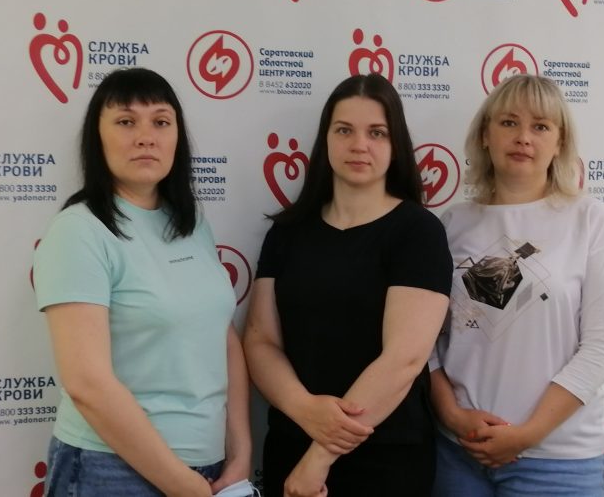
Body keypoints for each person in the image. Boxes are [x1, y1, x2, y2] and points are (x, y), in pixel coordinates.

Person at [33, 68, 251, 496]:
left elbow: (222, 339)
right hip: (109, 468)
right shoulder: (79, 231)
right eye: (126, 121)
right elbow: (87, 383)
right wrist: (181, 483)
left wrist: (241, 450)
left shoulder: (191, 226)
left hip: (208, 468)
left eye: (161, 122)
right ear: (97, 138)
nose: (146, 137)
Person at [244, 73, 453, 497]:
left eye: (377, 132)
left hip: (385, 460)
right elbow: (261, 340)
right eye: (344, 130)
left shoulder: (418, 232)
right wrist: (305, 409)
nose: (359, 145)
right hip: (291, 444)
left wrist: (319, 459)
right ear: (326, 140)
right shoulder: (287, 233)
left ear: (395, 145)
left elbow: (404, 359)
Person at [430, 74, 604, 497]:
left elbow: (603, 346)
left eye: (540, 126)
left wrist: (527, 434)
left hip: (558, 460)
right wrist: (451, 415)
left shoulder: (591, 220)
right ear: (485, 135)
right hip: (458, 454)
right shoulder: (451, 224)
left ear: (560, 143)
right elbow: (426, 342)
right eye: (509, 122)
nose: (523, 137)